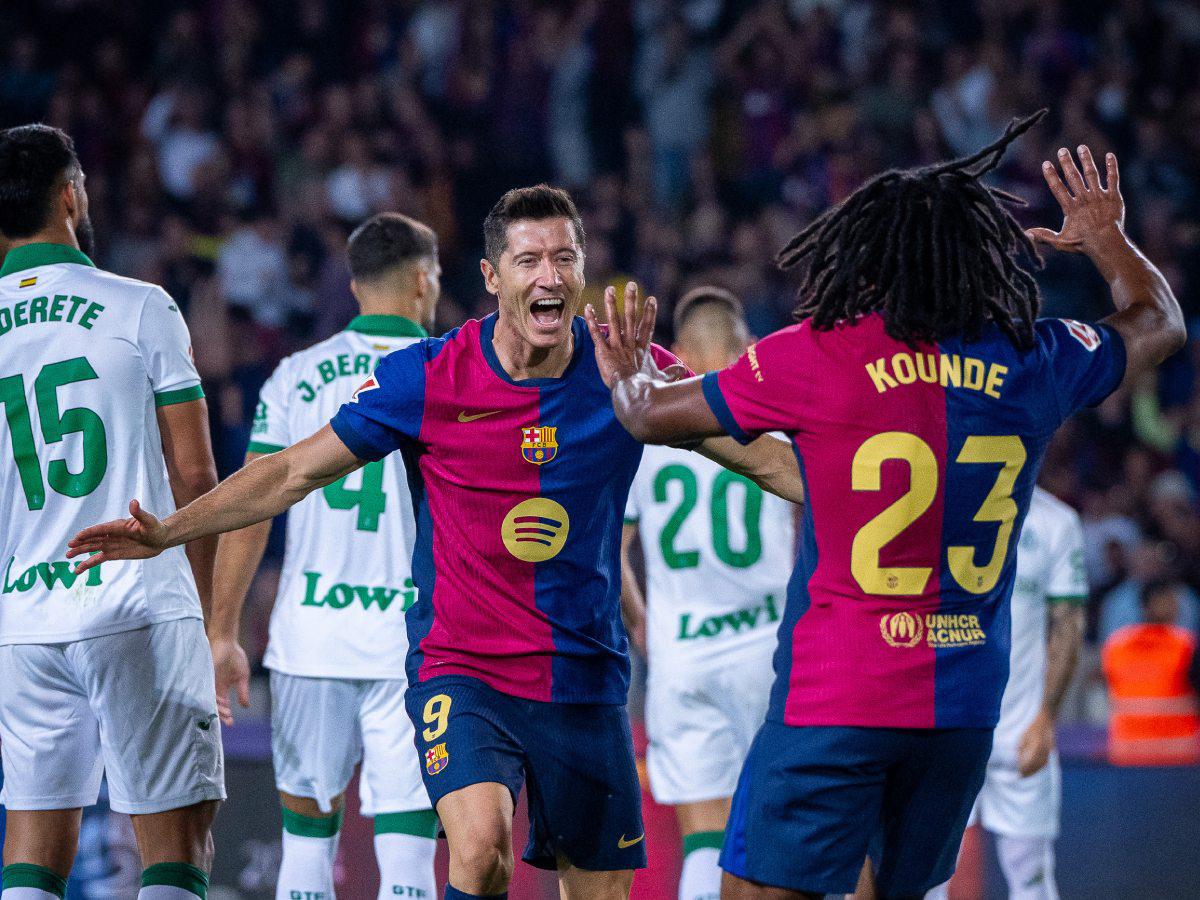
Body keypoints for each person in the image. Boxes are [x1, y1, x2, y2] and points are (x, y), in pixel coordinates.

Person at [67, 185, 803, 900]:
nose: (551, 276)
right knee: (480, 850)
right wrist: (169, 531)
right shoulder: (431, 377)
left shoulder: (627, 368)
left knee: (600, 888)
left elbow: (760, 456)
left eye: (565, 257)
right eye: (530, 260)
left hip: (584, 675)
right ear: (490, 277)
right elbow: (288, 472)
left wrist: (878, 499)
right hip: (465, 667)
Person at [585, 113, 1186, 899]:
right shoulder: (1037, 358)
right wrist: (1107, 238)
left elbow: (647, 414)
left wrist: (629, 370)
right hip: (963, 710)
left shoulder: (815, 354)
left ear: (868, 261)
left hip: (835, 698)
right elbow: (1160, 322)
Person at [0, 125, 224, 900]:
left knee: (31, 853)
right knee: (174, 851)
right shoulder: (140, 306)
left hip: (24, 619)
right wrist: (200, 614)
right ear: (71, 195)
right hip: (137, 602)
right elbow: (195, 476)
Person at [206, 213, 442, 900]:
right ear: (425, 281)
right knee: (406, 855)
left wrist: (223, 629)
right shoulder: (451, 367)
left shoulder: (295, 374)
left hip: (310, 638)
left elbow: (254, 507)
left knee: (307, 846)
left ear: (355, 284)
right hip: (413, 637)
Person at [620, 286, 795, 900]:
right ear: (742, 344)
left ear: (684, 351)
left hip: (682, 658)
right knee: (785, 831)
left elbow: (611, 553)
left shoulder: (646, 434)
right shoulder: (776, 423)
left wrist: (643, 624)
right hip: (769, 654)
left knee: (702, 838)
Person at [924, 487, 1087, 900]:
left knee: (1030, 876)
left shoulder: (1056, 521)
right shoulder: (940, 503)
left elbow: (1067, 625)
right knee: (927, 879)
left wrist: (1046, 718)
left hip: (1021, 731)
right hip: (947, 730)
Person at [1102, 580, 1200, 766]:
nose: (1175, 605)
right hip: (1178, 761)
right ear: (1150, 604)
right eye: (1169, 599)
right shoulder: (1187, 646)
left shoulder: (1115, 645)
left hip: (1129, 756)